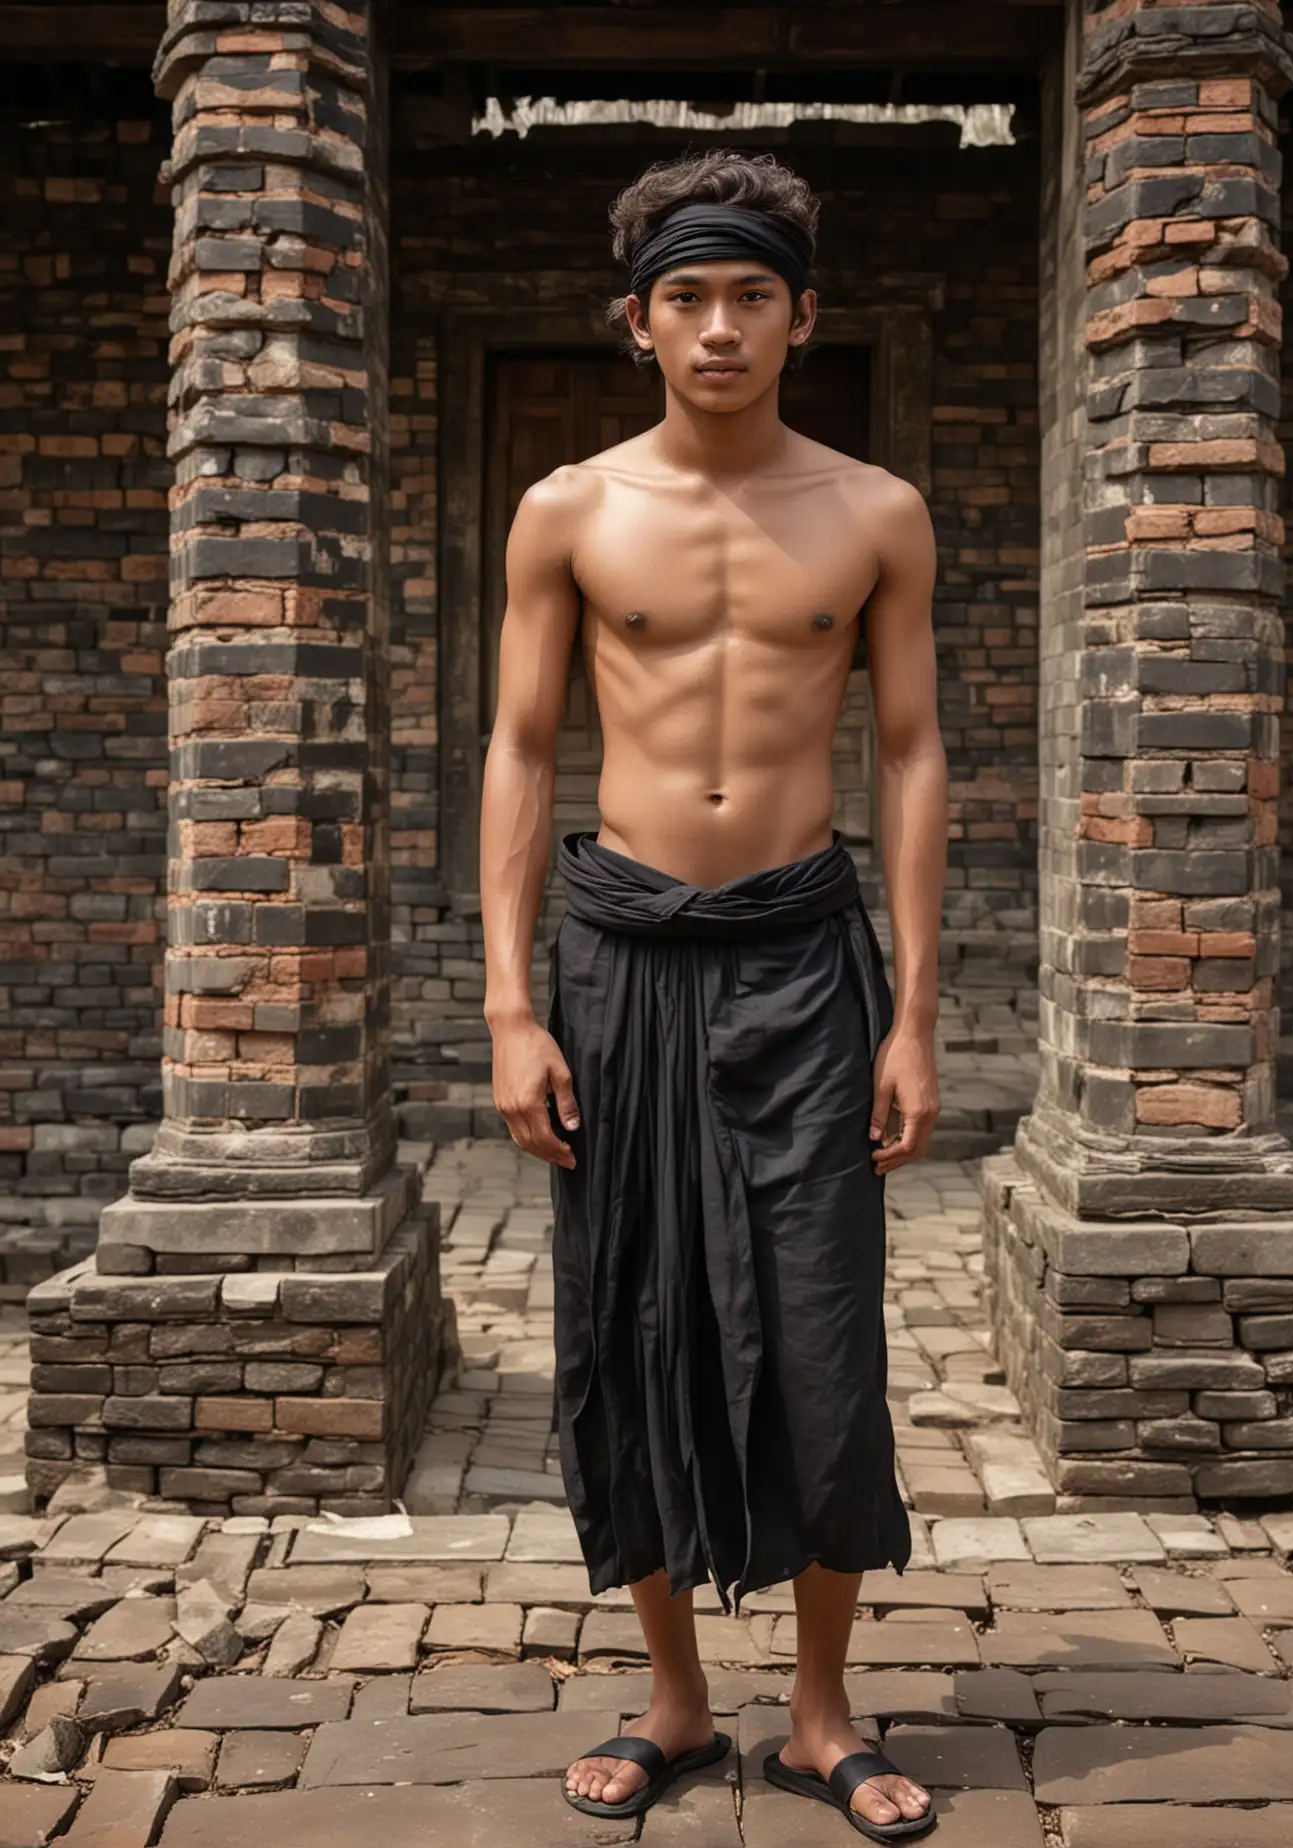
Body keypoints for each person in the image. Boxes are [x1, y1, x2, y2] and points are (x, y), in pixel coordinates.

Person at [479, 147, 947, 1843]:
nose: (721, 325)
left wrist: (915, 1010)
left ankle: (821, 1719)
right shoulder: (572, 510)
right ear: (640, 322)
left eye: (753, 294)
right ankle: (677, 1703)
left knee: (821, 1328)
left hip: (808, 958)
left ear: (803, 318)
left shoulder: (876, 510)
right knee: (638, 1316)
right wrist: (511, 1007)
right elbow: (523, 748)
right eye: (689, 296)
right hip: (619, 955)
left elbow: (907, 755)